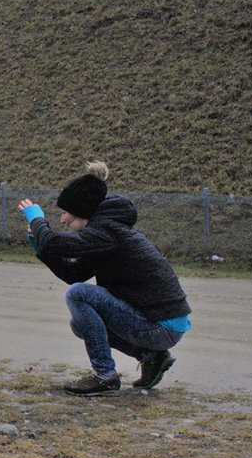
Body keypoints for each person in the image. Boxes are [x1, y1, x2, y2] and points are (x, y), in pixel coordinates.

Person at [17, 161, 191, 396]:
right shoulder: (103, 234)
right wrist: (38, 243)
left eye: (66, 213)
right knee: (80, 324)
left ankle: (105, 376)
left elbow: (55, 243)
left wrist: (37, 220)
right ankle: (152, 357)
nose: (62, 221)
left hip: (161, 326)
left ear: (81, 213)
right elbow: (73, 273)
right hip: (161, 323)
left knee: (79, 294)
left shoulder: (105, 233)